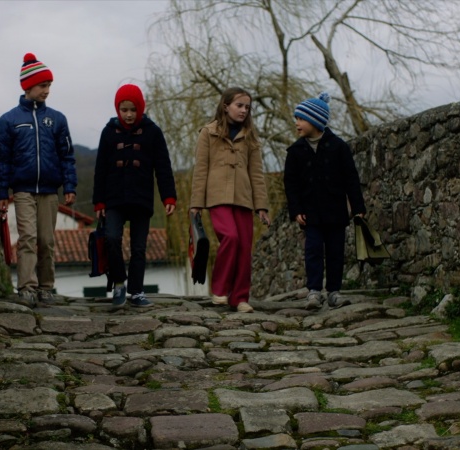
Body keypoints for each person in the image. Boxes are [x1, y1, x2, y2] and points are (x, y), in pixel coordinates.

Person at [0, 53, 77, 305]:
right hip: (22, 190)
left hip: (50, 191)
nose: (47, 90)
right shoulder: (9, 120)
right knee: (28, 238)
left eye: (49, 85)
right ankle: (26, 287)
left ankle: (46, 287)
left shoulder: (58, 119)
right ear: (27, 86)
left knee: (46, 241)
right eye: (42, 85)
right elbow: (2, 160)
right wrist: (1, 192)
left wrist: (70, 186)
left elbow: (67, 155)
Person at [92, 84, 177, 308]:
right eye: (124, 110)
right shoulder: (108, 132)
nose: (128, 115)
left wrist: (168, 197)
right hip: (114, 198)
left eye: (133, 109)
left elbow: (163, 167)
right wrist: (99, 201)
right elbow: (100, 169)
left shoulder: (153, 132)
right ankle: (119, 282)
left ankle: (137, 290)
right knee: (112, 239)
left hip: (141, 198)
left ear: (140, 108)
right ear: (117, 109)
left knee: (139, 247)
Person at [189, 87, 271, 313]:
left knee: (244, 247)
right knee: (231, 237)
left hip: (243, 198)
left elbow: (256, 173)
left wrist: (261, 206)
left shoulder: (250, 136)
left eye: (247, 107)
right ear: (226, 106)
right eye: (239, 105)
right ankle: (220, 289)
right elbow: (200, 170)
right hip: (217, 197)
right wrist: (196, 204)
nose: (244, 110)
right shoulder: (208, 133)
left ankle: (240, 298)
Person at [283, 92, 366, 310]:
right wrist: (296, 210)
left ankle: (334, 292)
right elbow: (291, 184)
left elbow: (351, 179)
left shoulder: (338, 147)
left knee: (335, 252)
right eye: (296, 119)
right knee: (313, 251)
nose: (297, 123)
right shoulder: (295, 151)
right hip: (310, 214)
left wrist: (358, 207)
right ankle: (314, 291)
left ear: (315, 120)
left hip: (335, 211)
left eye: (301, 119)